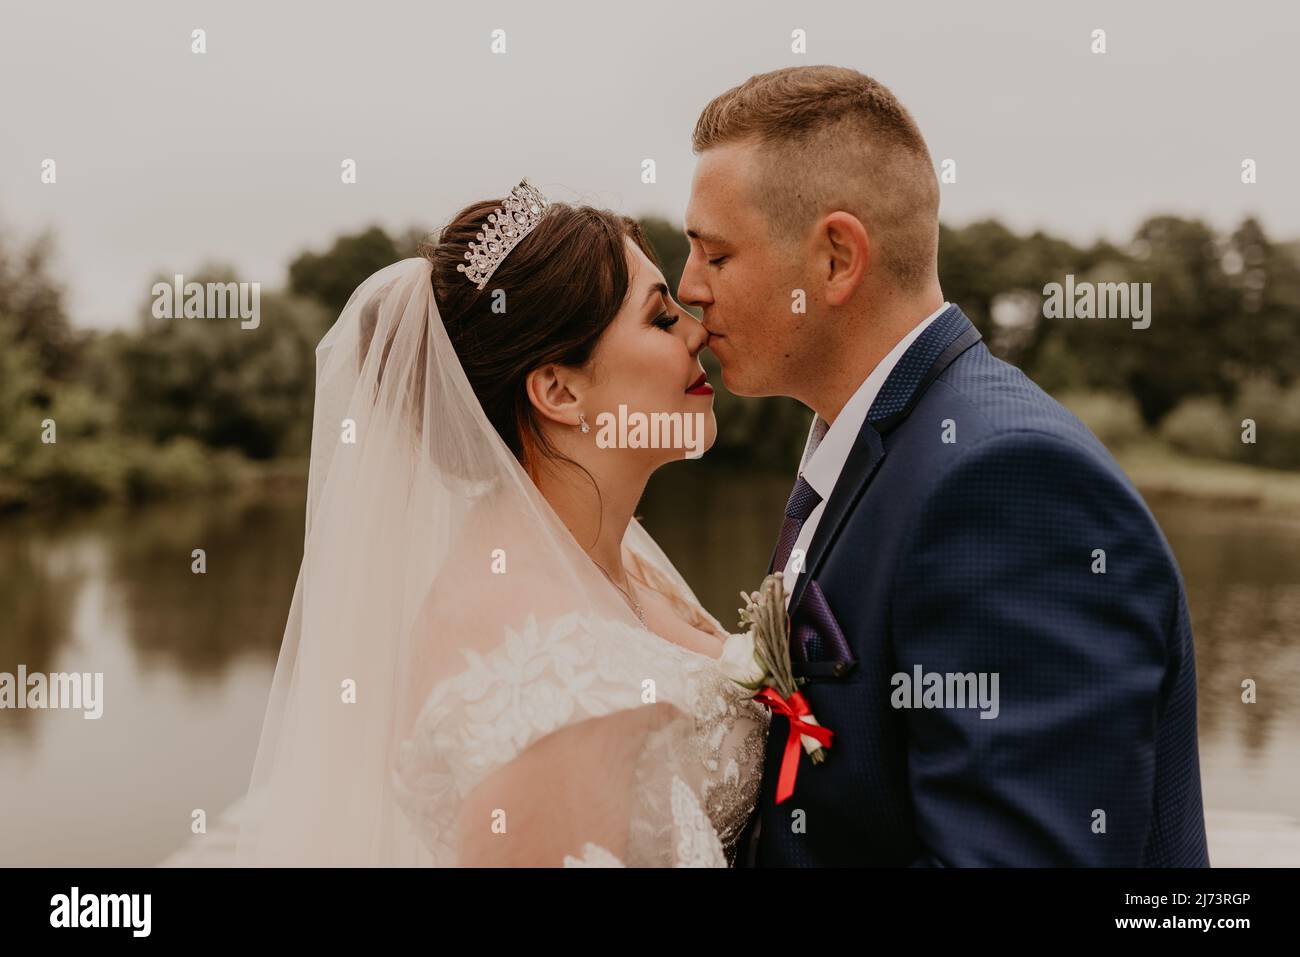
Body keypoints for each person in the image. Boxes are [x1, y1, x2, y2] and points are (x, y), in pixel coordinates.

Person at [681, 65, 1210, 866]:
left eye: (715, 256)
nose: (690, 288)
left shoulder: (1008, 486)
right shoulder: (868, 445)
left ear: (835, 260)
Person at [235, 181, 769, 867]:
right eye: (661, 319)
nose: (698, 328)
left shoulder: (613, 553)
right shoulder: (546, 672)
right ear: (559, 389)